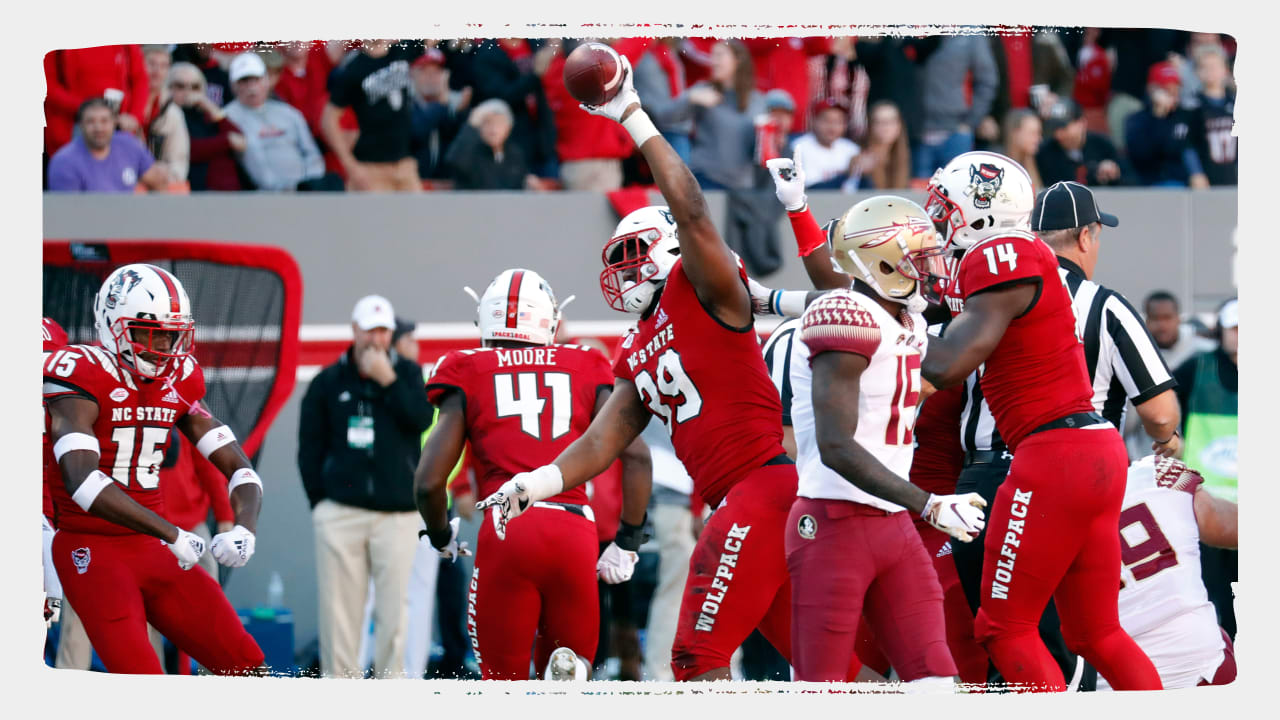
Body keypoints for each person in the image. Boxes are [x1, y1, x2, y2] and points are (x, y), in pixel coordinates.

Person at [474, 62, 853, 683]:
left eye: (630, 256)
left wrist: (632, 114)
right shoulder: (641, 341)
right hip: (743, 500)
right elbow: (601, 441)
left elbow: (694, 209)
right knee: (826, 667)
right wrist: (534, 484)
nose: (620, 273)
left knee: (695, 658)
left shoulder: (701, 287)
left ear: (669, 249)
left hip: (758, 489)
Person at [920, 152, 1161, 691]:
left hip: (1052, 455)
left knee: (1003, 628)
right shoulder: (1009, 256)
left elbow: (946, 365)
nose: (935, 217)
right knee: (1095, 633)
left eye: (943, 205)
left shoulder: (1001, 253)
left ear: (979, 208)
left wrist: (877, 336)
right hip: (1091, 449)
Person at [416, 269, 652, 680]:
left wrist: (441, 535)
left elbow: (428, 481)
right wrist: (628, 541)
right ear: (550, 320)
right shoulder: (585, 362)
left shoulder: (467, 368)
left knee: (501, 684)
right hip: (574, 534)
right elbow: (637, 457)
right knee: (567, 685)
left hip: (507, 531)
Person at [780, 195, 972, 686]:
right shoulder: (846, 314)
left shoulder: (903, 321)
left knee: (934, 679)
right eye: (921, 257)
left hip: (892, 524)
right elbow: (836, 446)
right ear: (883, 259)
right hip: (833, 522)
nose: (932, 269)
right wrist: (928, 504)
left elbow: (957, 357)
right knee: (821, 687)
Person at [43, 263, 265, 674]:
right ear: (112, 324)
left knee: (247, 665)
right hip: (92, 546)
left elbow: (238, 467)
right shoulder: (80, 373)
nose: (163, 346)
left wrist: (244, 529)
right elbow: (83, 482)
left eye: (170, 333)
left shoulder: (179, 378)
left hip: (155, 546)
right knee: (144, 685)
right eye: (149, 332)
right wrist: (172, 532)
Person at [297, 294, 434, 677]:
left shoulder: (406, 374)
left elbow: (422, 418)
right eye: (369, 330)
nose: (376, 339)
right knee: (340, 614)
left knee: (395, 612)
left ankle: (391, 693)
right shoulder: (328, 382)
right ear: (354, 330)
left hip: (397, 516)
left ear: (391, 335)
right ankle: (342, 694)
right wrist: (321, 504)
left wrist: (387, 381)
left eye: (383, 331)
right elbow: (309, 448)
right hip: (341, 513)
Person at [1032, 182, 1182, 459]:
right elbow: (1161, 415)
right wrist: (1169, 438)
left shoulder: (993, 300)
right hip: (1085, 466)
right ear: (1085, 238)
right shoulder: (1106, 306)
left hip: (993, 471)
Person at [1091, 455, 1237, 690]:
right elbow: (1223, 522)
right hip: (1200, 665)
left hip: (1111, 681)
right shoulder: (1158, 472)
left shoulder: (1027, 515)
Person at [1172, 298, 1238, 640]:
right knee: (1213, 598)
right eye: (1236, 329)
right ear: (1221, 332)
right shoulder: (1197, 369)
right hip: (1205, 505)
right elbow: (1162, 405)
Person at [323, 39, 425, 192]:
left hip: (404, 164)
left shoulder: (402, 50)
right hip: (370, 168)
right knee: (373, 216)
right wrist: (351, 167)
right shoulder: (354, 68)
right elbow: (328, 120)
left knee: (419, 215)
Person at [224, 52, 334, 192]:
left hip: (306, 188)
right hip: (266, 193)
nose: (252, 87)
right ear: (233, 86)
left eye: (256, 79)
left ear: (265, 81)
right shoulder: (229, 117)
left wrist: (310, 181)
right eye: (244, 81)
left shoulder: (288, 113)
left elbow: (311, 153)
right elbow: (252, 159)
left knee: (334, 182)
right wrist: (282, 188)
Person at [669, 39, 765, 190]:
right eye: (712, 56)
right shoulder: (703, 91)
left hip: (742, 187)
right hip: (705, 180)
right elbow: (666, 117)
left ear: (738, 60)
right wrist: (690, 99)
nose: (713, 62)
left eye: (719, 56)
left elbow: (760, 150)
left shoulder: (758, 101)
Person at [912, 36, 997, 179]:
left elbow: (987, 80)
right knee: (914, 197)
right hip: (915, 133)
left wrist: (970, 122)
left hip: (956, 131)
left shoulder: (970, 33)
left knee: (956, 195)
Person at [43, 45, 149, 155]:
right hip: (73, 126)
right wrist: (85, 107)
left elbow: (139, 78)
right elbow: (47, 84)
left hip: (118, 125)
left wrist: (134, 116)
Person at [47, 98, 170, 193]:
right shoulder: (64, 161)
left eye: (104, 121)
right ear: (80, 125)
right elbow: (67, 212)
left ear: (114, 123)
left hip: (129, 220)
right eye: (90, 121)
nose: (98, 128)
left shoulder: (129, 146)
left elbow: (159, 183)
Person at [1124, 61, 1210, 188]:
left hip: (1184, 186)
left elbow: (1186, 149)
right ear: (1151, 89)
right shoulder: (1137, 120)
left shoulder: (1185, 116)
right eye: (1166, 88)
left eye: (1175, 87)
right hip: (1147, 186)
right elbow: (1142, 155)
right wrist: (1158, 115)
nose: (1172, 92)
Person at [168, 62, 246, 192]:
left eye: (195, 87)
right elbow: (188, 150)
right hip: (197, 192)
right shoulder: (169, 115)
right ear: (168, 88)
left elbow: (240, 140)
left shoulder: (208, 114)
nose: (188, 92)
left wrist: (210, 107)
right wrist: (226, 141)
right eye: (180, 86)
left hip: (232, 192)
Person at [443, 99, 538, 190]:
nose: (493, 129)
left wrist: (528, 186)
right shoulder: (471, 152)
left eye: (499, 123)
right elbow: (454, 161)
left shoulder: (515, 155)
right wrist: (471, 123)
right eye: (488, 123)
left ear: (508, 128)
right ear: (479, 127)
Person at [1036, 98, 1128, 187]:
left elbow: (1132, 183)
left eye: (1064, 128)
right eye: (1054, 128)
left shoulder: (1102, 145)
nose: (1058, 134)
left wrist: (1113, 174)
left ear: (1082, 123)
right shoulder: (1045, 152)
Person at [1185, 44, 1237, 186]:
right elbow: (1187, 144)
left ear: (1225, 70)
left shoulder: (1235, 104)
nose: (1210, 71)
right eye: (1205, 67)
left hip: (1233, 175)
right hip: (1207, 178)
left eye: (1215, 66)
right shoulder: (1192, 106)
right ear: (1197, 72)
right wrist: (1196, 172)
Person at [140, 45, 189, 184]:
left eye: (163, 66)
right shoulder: (123, 105)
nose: (157, 71)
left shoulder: (173, 113)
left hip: (160, 188)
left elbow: (179, 162)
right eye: (151, 64)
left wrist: (162, 177)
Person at [789, 98, 859, 191]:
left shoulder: (852, 149)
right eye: (826, 120)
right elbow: (811, 190)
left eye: (838, 122)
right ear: (814, 121)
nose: (832, 127)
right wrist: (847, 173)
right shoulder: (799, 147)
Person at [850, 100, 910, 190]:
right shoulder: (860, 158)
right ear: (870, 126)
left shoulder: (905, 156)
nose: (886, 127)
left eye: (891, 121)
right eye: (879, 122)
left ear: (899, 125)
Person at [1000, 109, 1042, 190]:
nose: (1039, 139)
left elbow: (1037, 195)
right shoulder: (997, 165)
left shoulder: (1035, 159)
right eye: (1033, 133)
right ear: (1015, 134)